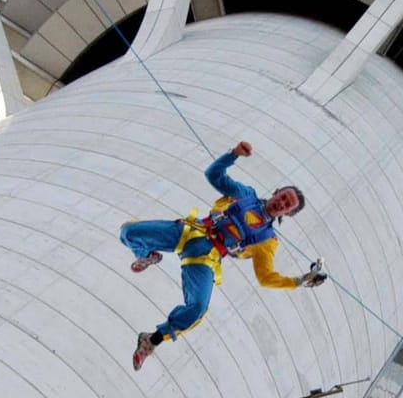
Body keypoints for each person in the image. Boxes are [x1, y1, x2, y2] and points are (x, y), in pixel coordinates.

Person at [120, 141, 327, 370]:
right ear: (276, 191)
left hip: (205, 259)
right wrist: (234, 154)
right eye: (284, 196)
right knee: (129, 232)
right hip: (190, 232)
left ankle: (152, 340)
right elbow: (213, 175)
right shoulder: (245, 194)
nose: (282, 203)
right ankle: (148, 255)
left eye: (288, 205)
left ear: (288, 214)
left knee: (198, 308)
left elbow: (266, 277)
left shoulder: (268, 241)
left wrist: (299, 281)